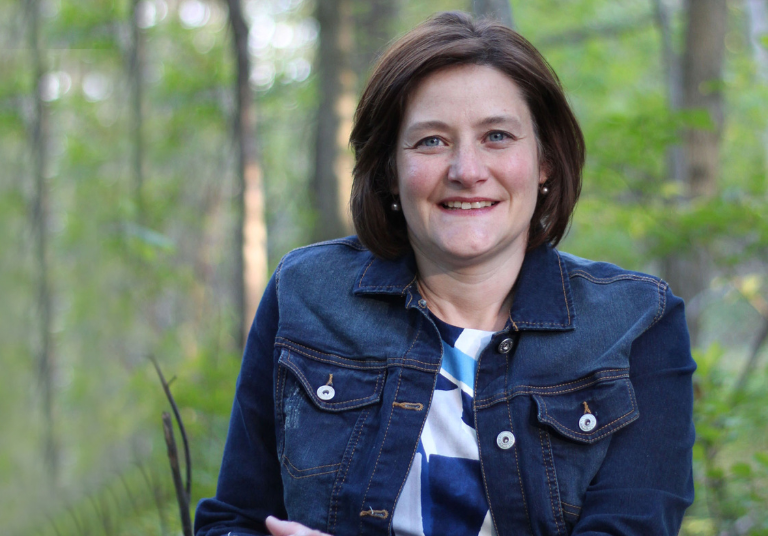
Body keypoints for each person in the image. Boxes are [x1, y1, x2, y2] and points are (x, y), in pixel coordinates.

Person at [194, 11, 695, 536]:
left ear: (545, 160)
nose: (466, 170)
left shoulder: (638, 322)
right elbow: (236, 521)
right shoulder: (306, 293)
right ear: (388, 168)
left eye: (497, 136)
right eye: (431, 141)